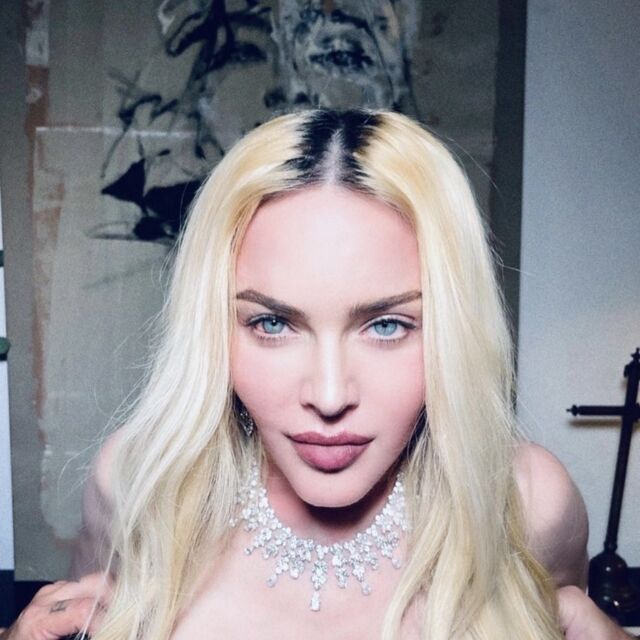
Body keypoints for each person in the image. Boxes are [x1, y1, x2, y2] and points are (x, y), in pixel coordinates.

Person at [2, 109, 636, 639]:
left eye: (387, 325)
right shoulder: (137, 484)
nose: (330, 397)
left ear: (454, 328)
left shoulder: (528, 503)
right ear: (212, 326)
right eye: (272, 323)